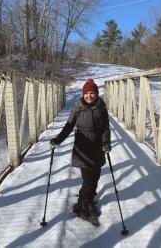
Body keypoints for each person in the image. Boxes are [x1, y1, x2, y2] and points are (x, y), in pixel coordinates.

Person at [49, 78, 111, 218]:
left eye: (92, 93)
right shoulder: (78, 107)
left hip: (97, 149)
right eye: (86, 93)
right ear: (83, 94)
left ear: (96, 94)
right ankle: (84, 203)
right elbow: (69, 126)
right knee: (88, 179)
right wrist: (58, 139)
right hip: (83, 149)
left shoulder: (102, 108)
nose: (89, 96)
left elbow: (106, 128)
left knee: (95, 178)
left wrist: (106, 143)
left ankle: (87, 200)